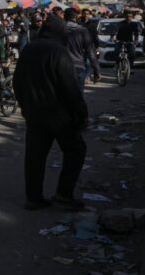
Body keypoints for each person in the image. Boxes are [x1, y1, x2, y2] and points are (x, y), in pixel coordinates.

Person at [12, 16, 89, 211]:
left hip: (34, 113)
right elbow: (69, 87)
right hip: (58, 114)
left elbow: (17, 81)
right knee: (76, 150)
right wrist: (81, 113)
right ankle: (63, 194)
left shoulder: (29, 48)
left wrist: (24, 105)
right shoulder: (59, 52)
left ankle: (34, 197)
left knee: (35, 156)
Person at [64, 9, 99, 89]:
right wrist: (96, 70)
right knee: (78, 94)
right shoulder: (82, 30)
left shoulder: (58, 29)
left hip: (62, 65)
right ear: (76, 17)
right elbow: (91, 52)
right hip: (78, 65)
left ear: (64, 16)